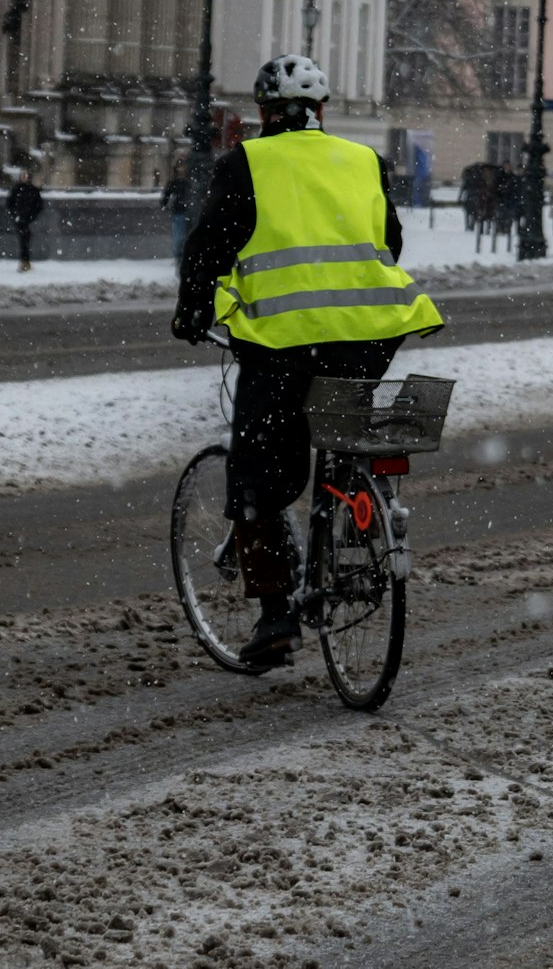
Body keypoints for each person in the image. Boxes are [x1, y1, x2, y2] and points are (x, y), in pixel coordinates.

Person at [171, 55, 443, 667]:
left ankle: (275, 618)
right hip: (370, 336)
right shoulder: (363, 161)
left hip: (283, 343)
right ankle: (351, 510)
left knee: (258, 477)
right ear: (320, 112)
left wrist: (193, 309)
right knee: (341, 430)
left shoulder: (248, 163)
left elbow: (208, 245)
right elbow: (390, 240)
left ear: (264, 115)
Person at [6, 166, 44, 272]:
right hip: (20, 219)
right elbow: (10, 204)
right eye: (23, 175)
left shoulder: (33, 190)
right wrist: (15, 215)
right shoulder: (16, 189)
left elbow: (39, 206)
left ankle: (25, 262)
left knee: (25, 240)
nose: (24, 177)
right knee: (24, 240)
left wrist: (31, 217)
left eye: (26, 175)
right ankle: (25, 262)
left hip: (27, 219)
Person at [161, 158, 193, 261]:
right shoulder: (177, 181)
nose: (181, 169)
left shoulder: (186, 180)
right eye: (180, 167)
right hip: (180, 211)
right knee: (179, 236)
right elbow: (167, 194)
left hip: (187, 210)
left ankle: (182, 256)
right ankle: (179, 257)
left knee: (182, 236)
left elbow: (167, 194)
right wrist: (164, 203)